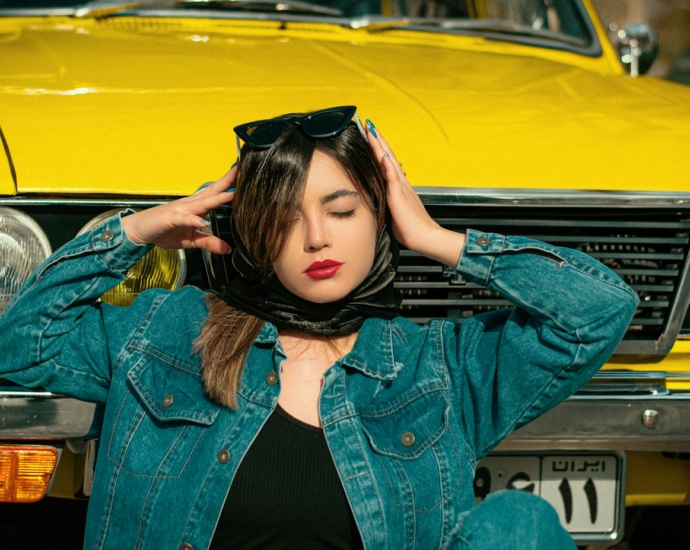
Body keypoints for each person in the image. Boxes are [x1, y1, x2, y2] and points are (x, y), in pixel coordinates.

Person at [0, 106, 638, 550]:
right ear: (253, 232)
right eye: (284, 218)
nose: (315, 238)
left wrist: (436, 238)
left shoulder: (440, 369)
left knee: (518, 526)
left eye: (343, 210)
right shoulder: (170, 333)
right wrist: (137, 231)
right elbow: (19, 343)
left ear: (380, 214)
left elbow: (599, 310)